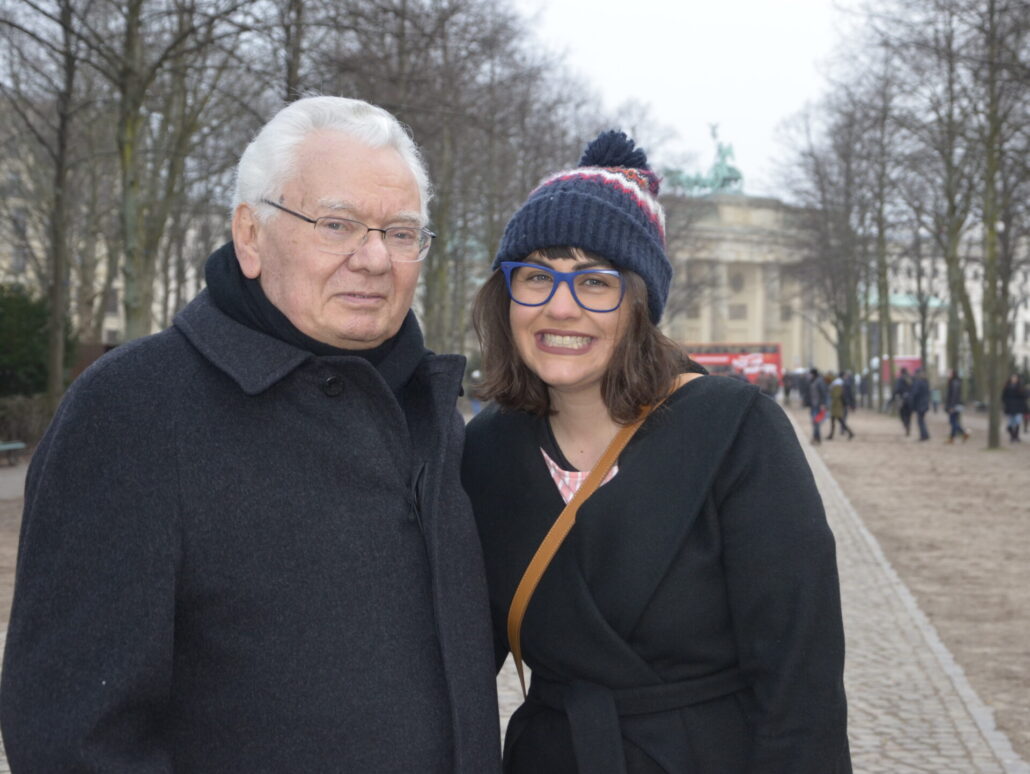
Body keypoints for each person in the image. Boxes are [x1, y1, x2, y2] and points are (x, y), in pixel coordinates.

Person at [0, 96, 501, 773]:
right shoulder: (134, 411)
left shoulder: (436, 410)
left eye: (402, 232)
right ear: (249, 236)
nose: (375, 258)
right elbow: (75, 738)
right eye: (337, 224)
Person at [462, 131, 851, 773]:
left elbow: (800, 687)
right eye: (535, 276)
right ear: (506, 298)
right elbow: (453, 664)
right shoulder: (485, 451)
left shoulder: (735, 431)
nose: (561, 307)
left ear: (641, 302)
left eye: (597, 282)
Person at [944, 369, 970, 443]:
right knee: (953, 421)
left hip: (954, 405)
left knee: (953, 421)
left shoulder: (954, 383)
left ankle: (962, 433)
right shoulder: (955, 382)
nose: (948, 375)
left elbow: (954, 396)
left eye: (949, 373)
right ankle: (953, 437)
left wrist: (952, 406)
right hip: (955, 405)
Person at [827, 372, 855, 440]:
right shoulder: (837, 384)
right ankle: (831, 435)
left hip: (837, 405)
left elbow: (836, 395)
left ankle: (850, 433)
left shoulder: (837, 385)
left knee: (840, 420)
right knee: (835, 420)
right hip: (836, 405)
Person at [1002, 373, 1028, 442]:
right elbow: (1004, 397)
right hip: (1010, 408)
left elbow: (1024, 396)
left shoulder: (1021, 387)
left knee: (1017, 422)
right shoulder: (1007, 387)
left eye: (1015, 378)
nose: (1014, 379)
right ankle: (1013, 436)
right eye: (1013, 378)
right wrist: (1007, 404)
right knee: (1010, 423)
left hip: (1018, 408)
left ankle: (1016, 436)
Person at [809, 366, 830, 444]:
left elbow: (824, 393)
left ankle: (816, 438)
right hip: (814, 405)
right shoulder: (813, 381)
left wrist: (823, 404)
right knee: (814, 422)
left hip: (818, 405)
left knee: (816, 422)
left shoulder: (819, 382)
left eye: (810, 374)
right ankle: (816, 437)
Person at [911, 367, 931, 441]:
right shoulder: (925, 382)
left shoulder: (919, 382)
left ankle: (924, 435)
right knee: (922, 420)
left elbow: (915, 393)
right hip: (924, 404)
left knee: (920, 421)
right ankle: (925, 434)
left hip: (920, 404)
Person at [892, 367, 914, 436]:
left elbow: (897, 389)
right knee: (909, 415)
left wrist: (893, 398)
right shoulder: (911, 379)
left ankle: (905, 425)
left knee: (902, 414)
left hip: (903, 400)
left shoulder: (900, 380)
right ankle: (908, 425)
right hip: (910, 400)